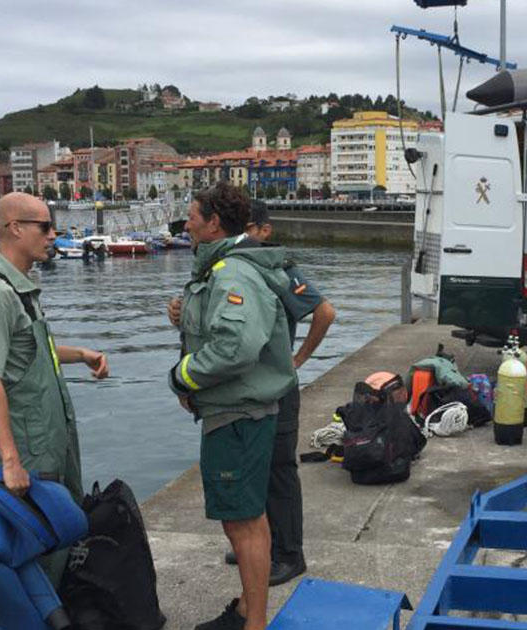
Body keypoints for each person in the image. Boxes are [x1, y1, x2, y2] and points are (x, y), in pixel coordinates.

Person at [167, 200, 335, 586]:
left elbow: (325, 312)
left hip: (270, 386)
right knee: (256, 474)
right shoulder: (222, 266)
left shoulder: (268, 268)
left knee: (278, 471)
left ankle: (288, 553)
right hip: (257, 384)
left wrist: (298, 361)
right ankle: (259, 545)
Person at [0, 192, 109, 577]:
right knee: (32, 562)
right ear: (14, 228)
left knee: (54, 553)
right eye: (44, 226)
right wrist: (10, 461)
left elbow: (30, 351)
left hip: (44, 449)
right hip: (24, 455)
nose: (53, 234)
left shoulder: (19, 290)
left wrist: (82, 354)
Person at [167, 183, 296, 630]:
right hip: (242, 412)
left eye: (192, 216)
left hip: (238, 416)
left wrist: (181, 377)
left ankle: (254, 621)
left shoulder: (232, 273)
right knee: (248, 519)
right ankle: (248, 608)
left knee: (242, 524)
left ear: (214, 223)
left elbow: (237, 347)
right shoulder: (228, 270)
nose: (187, 224)